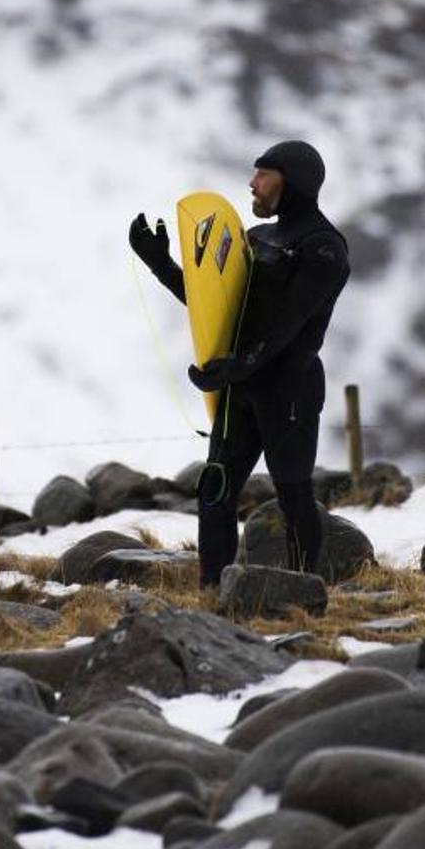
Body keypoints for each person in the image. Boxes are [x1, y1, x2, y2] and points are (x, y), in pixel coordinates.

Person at [129, 140, 351, 585]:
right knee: (215, 490)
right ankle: (215, 593)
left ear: (293, 182)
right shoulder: (258, 237)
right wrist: (160, 264)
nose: (252, 184)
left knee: (292, 494)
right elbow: (215, 308)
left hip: (289, 387)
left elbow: (290, 323)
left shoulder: (323, 247)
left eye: (263, 175)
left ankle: (306, 594)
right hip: (242, 385)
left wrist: (237, 366)